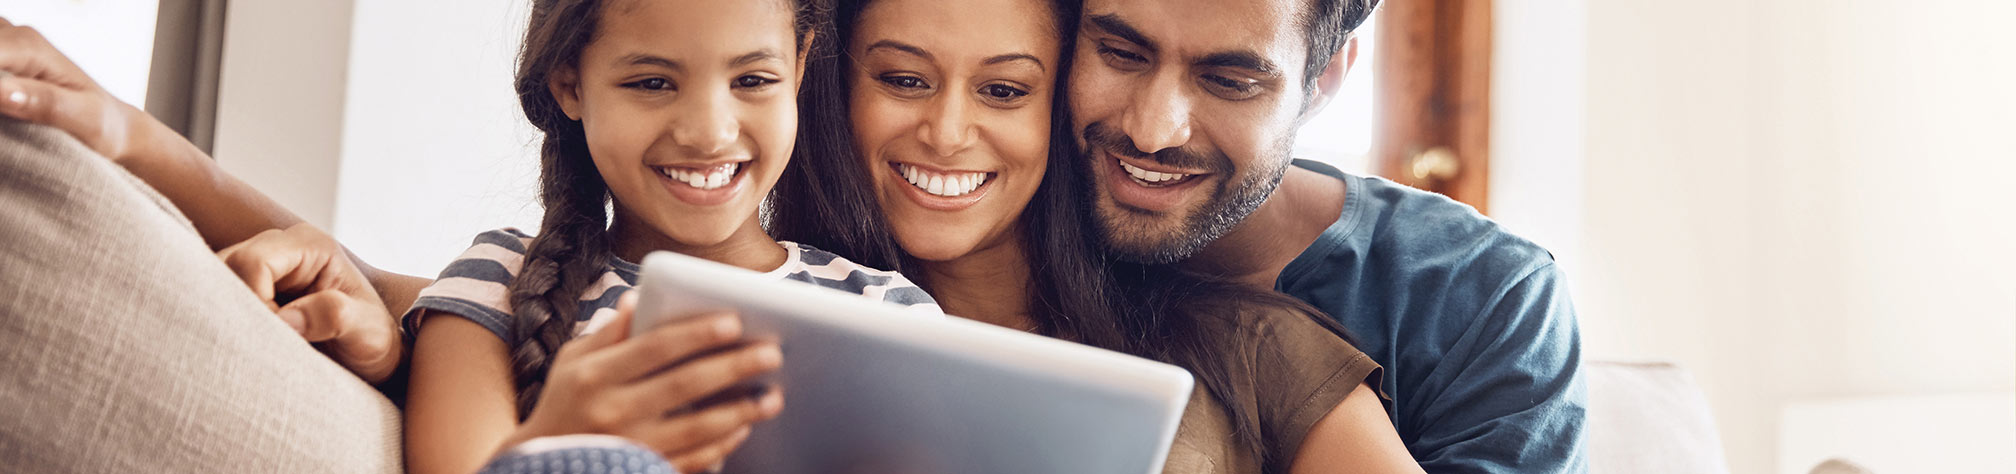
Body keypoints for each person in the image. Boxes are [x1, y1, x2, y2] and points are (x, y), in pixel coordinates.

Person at [769, 0, 1421, 472]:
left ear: (1057, 102)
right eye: (904, 80)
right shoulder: (766, 331)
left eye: (1003, 89)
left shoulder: (1258, 353)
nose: (946, 133)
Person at [397, 1, 938, 473]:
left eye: (752, 80)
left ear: (798, 67)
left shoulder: (887, 312)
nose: (709, 132)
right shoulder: (497, 282)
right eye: (652, 83)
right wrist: (556, 444)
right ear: (569, 84)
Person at [1064, 0, 1587, 471]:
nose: (1151, 130)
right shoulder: (1012, 219)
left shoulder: (1488, 295)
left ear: (1325, 79)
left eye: (1229, 81)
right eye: (1121, 53)